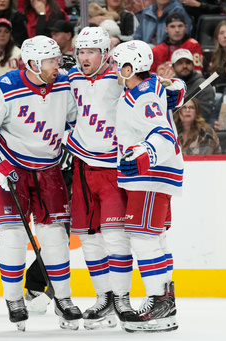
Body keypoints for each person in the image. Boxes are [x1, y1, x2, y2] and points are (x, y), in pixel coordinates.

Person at [0, 35, 81, 330]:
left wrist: (71, 145)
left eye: (58, 59)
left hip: (50, 169)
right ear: (33, 64)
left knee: (56, 237)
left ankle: (64, 298)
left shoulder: (64, 84)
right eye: (51, 61)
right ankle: (14, 299)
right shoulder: (3, 87)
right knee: (12, 237)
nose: (58, 65)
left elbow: (73, 122)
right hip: (12, 170)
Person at [111, 40, 182, 333]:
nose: (114, 71)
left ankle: (159, 304)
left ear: (130, 69)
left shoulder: (141, 98)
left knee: (143, 239)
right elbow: (172, 89)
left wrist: (144, 154)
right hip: (155, 175)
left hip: (151, 174)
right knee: (154, 239)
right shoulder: (148, 87)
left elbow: (164, 135)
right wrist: (176, 87)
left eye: (118, 66)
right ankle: (165, 301)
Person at [66, 26, 132, 330]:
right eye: (80, 51)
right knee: (89, 238)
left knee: (115, 237)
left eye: (90, 51)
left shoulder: (121, 77)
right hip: (81, 165)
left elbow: (154, 93)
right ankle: (103, 297)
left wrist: (173, 88)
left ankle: (122, 299)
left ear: (106, 54)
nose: (84, 57)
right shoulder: (72, 78)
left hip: (112, 167)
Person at [150, 11, 203, 78]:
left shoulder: (193, 45)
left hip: (188, 86)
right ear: (166, 29)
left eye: (180, 26)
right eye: (172, 27)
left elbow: (198, 73)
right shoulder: (156, 50)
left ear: (185, 27)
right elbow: (151, 77)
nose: (177, 30)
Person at [172, 48, 214, 120]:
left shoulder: (204, 85)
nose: (184, 66)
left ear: (193, 65)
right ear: (173, 67)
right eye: (180, 63)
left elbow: (203, 115)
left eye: (188, 62)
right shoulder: (170, 87)